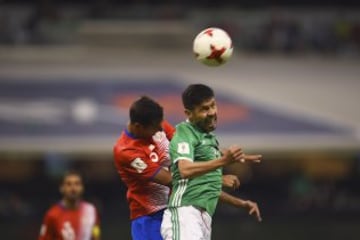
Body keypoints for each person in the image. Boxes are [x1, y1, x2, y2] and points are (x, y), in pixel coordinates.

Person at [113, 96, 242, 240]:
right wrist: (217, 179)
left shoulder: (156, 123)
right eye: (155, 128)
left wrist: (227, 154)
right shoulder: (126, 151)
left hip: (180, 206)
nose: (159, 130)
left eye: (160, 124)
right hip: (150, 217)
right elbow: (170, 179)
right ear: (138, 127)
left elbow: (188, 146)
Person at [161, 84, 262, 240]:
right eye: (204, 109)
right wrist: (224, 160)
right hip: (185, 215)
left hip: (202, 219)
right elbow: (184, 170)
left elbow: (210, 187)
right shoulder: (185, 132)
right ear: (189, 113)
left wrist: (241, 203)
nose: (212, 112)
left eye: (213, 105)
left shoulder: (208, 139)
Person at [39, 170, 100, 240]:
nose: (73, 188)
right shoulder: (52, 215)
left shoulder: (91, 211)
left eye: (77, 184)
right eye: (68, 184)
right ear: (61, 188)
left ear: (82, 188)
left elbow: (96, 236)